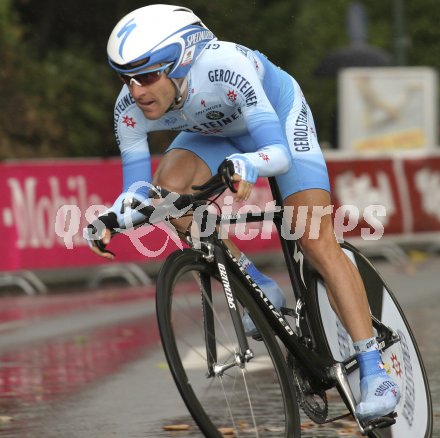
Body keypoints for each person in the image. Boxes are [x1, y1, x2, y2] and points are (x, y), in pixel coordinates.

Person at [84, 4, 400, 421]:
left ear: (180, 64)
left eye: (146, 76)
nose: (136, 91)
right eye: (126, 78)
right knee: (167, 194)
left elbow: (278, 154)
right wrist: (110, 220)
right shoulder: (129, 108)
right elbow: (138, 196)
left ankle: (376, 372)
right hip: (213, 131)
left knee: (314, 237)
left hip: (277, 122)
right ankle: (255, 282)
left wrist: (251, 163)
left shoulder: (224, 67)